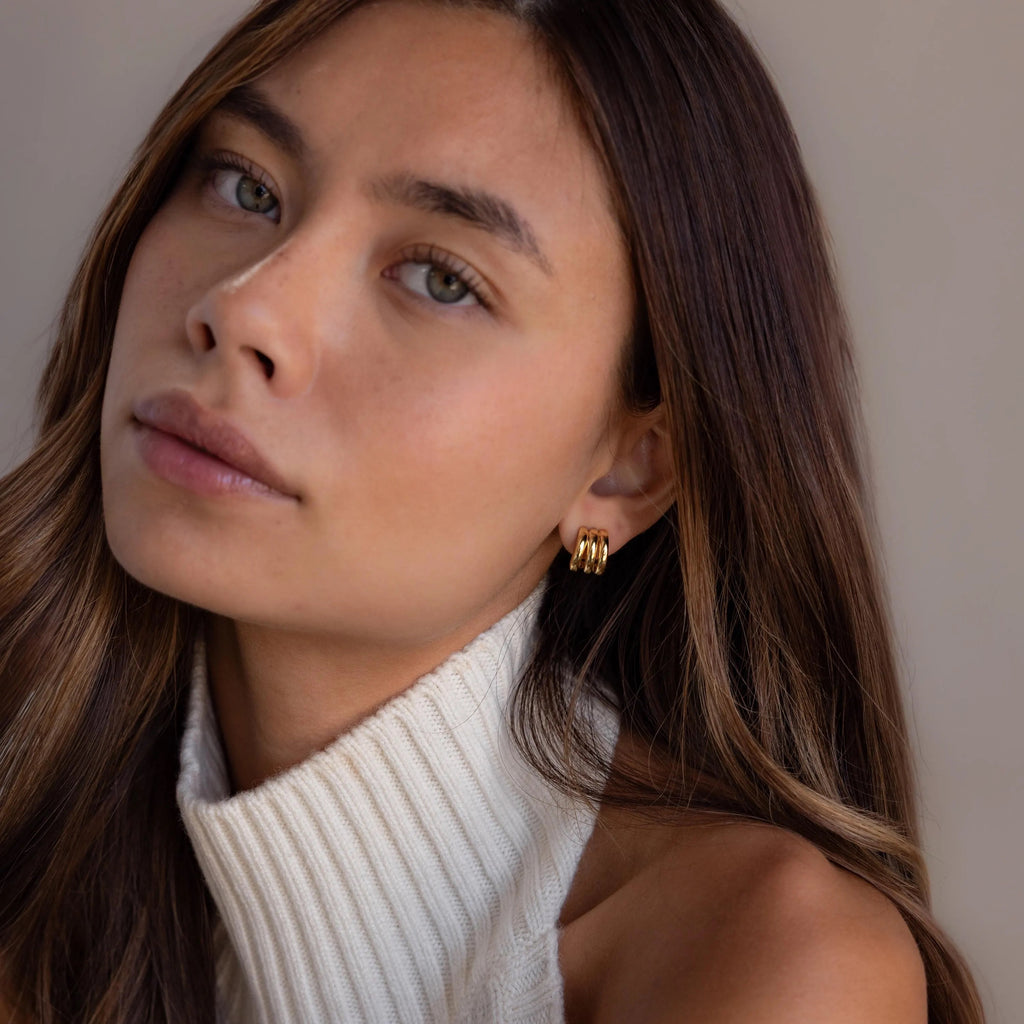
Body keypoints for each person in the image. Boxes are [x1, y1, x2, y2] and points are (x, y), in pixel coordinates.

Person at [0, 0, 985, 1021]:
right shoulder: (38, 842)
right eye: (247, 186)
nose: (242, 305)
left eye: (439, 278)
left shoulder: (773, 959)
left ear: (624, 471)